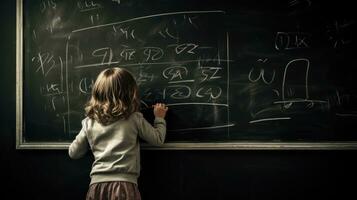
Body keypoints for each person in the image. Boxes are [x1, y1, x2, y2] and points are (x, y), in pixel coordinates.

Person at [68, 67, 168, 200]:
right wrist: (159, 118)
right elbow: (158, 139)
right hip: (124, 186)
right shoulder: (134, 118)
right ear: (129, 92)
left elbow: (74, 153)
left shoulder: (89, 122)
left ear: (97, 92)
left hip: (97, 187)